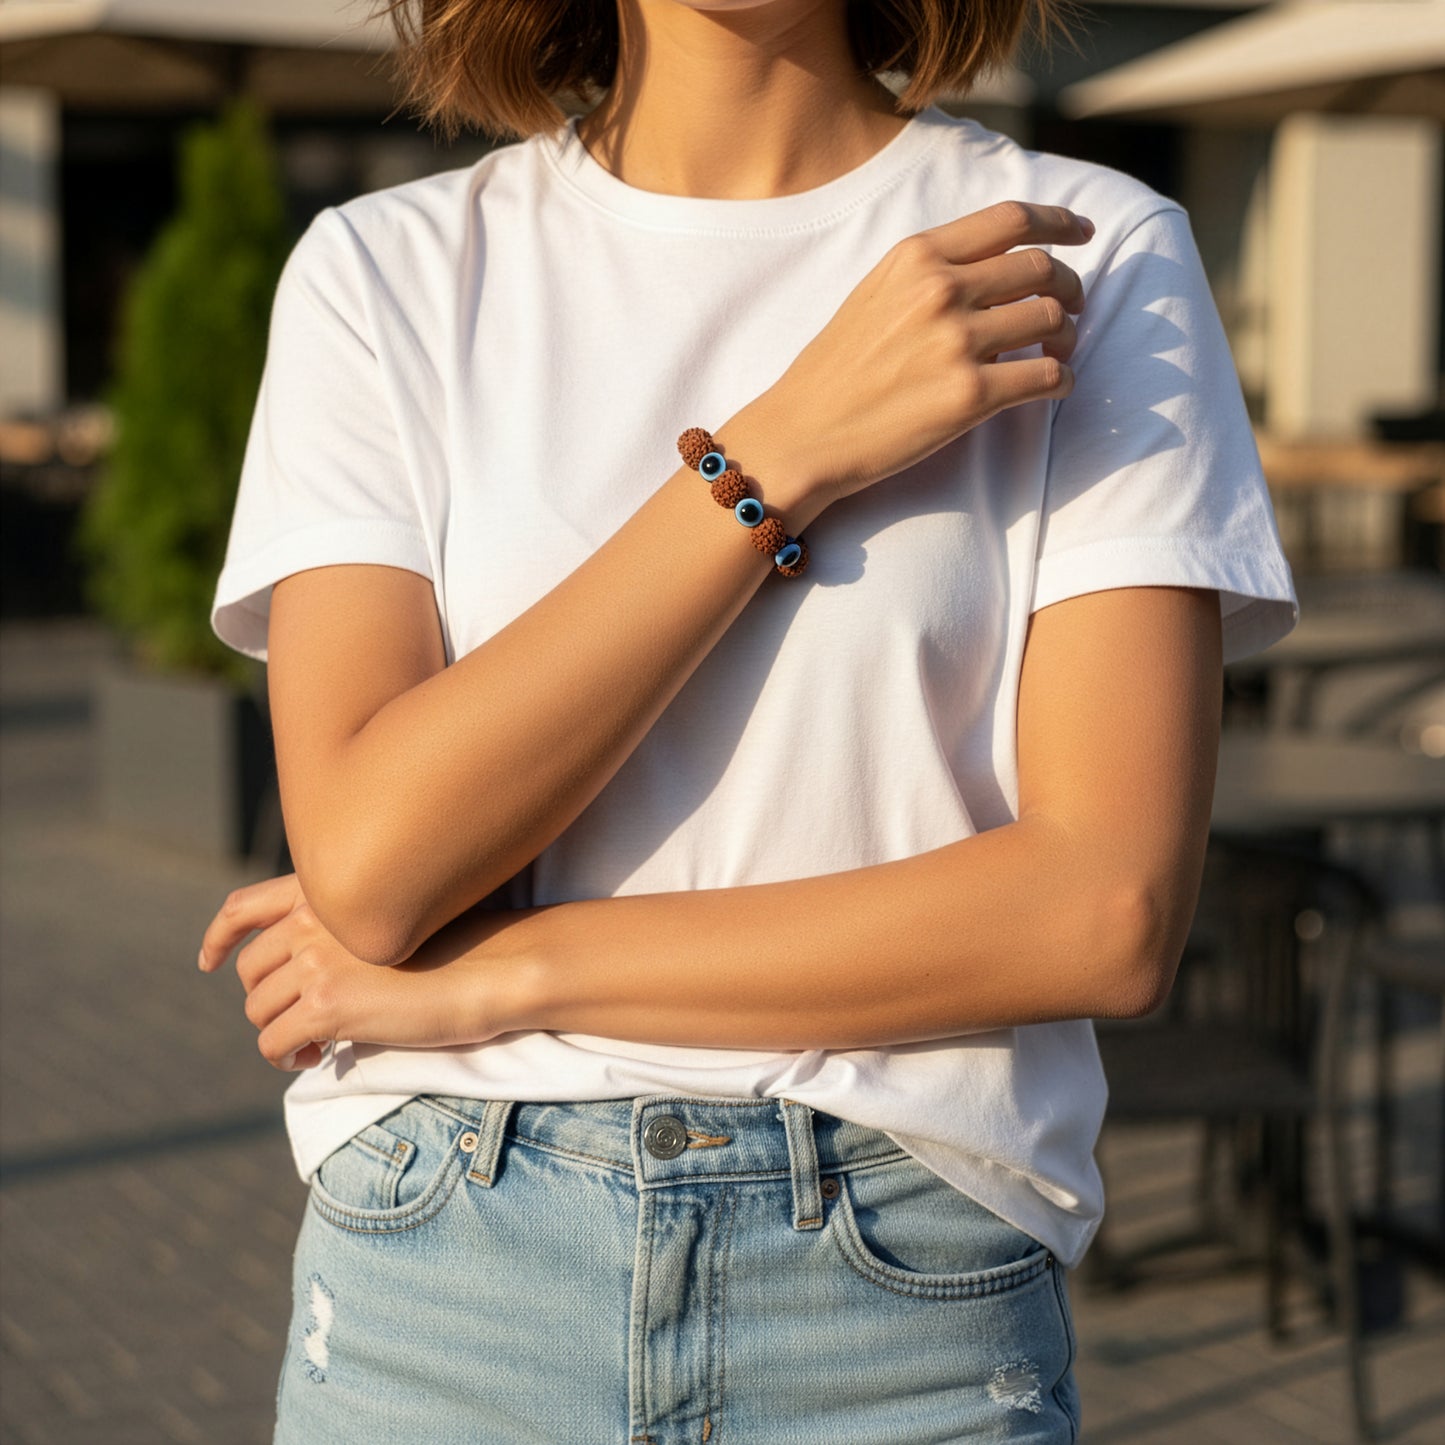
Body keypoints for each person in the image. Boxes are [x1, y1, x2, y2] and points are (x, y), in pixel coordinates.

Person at [198, 0, 1297, 1438]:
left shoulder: (1082, 255)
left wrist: (502, 975)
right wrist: (779, 452)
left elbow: (1101, 912)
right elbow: (372, 864)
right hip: (449, 1279)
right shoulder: (388, 273)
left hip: (897, 1301)